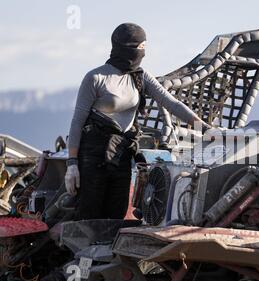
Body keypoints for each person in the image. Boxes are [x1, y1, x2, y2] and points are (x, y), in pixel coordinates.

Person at [65, 23, 210, 220]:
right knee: (89, 212)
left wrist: (207, 129)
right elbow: (77, 122)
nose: (143, 53)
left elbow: (172, 104)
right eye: (140, 47)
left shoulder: (140, 77)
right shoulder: (95, 78)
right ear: (127, 48)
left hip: (121, 153)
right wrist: (72, 165)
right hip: (93, 155)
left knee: (116, 211)